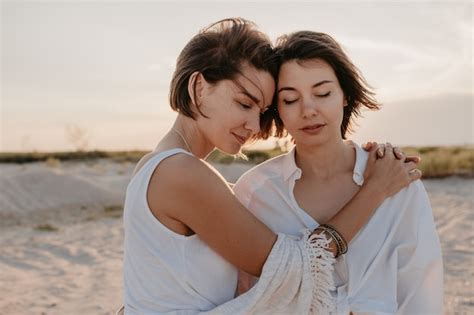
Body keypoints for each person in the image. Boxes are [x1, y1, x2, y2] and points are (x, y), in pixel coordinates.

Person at [121, 18, 421, 314]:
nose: (254, 125)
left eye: (262, 110)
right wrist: (376, 189)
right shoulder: (180, 173)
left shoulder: (161, 166)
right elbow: (295, 269)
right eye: (244, 103)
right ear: (199, 87)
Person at [234, 30, 443, 314]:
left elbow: (420, 290)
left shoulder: (398, 180)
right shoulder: (256, 192)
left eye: (323, 93)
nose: (309, 109)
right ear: (277, 109)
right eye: (290, 99)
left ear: (345, 95)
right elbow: (248, 294)